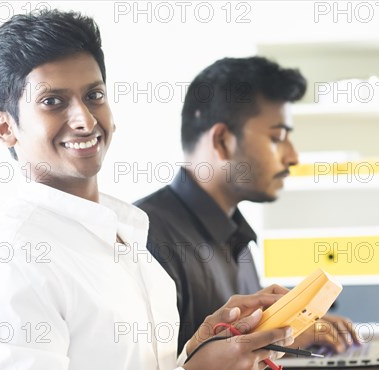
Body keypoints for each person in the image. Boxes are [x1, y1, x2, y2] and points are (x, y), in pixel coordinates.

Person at [0, 10, 294, 370]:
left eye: (94, 95)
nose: (83, 119)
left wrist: (200, 352)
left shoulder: (125, 232)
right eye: (52, 101)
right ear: (6, 128)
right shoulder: (12, 259)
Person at [136, 57, 360, 355]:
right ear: (223, 141)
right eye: (277, 137)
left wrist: (289, 334)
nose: (293, 157)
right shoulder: (143, 237)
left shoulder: (236, 234)